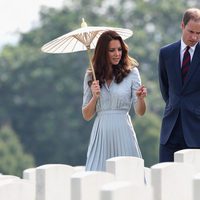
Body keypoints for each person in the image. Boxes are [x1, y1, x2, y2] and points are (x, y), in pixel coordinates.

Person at [82, 30, 147, 171]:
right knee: (96, 175)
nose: (117, 54)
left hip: (124, 130)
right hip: (101, 134)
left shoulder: (132, 73)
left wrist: (141, 99)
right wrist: (94, 97)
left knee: (129, 174)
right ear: (103, 52)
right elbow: (86, 115)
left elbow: (140, 112)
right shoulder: (90, 76)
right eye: (112, 50)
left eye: (119, 49)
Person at [158, 8, 200, 162]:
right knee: (165, 179)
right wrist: (174, 105)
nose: (194, 37)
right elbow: (165, 89)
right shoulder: (166, 53)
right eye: (191, 31)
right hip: (170, 130)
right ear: (182, 25)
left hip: (196, 131)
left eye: (199, 33)